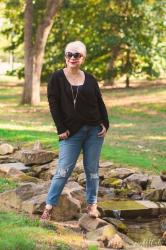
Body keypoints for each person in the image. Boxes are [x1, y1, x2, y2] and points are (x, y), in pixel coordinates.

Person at [40, 40, 109, 221]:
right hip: (71, 132)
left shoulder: (90, 78)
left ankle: (92, 205)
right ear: (65, 56)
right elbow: (53, 105)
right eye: (69, 54)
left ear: (82, 58)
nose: (72, 57)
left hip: (94, 131)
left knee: (92, 169)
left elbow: (99, 102)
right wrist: (60, 128)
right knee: (63, 170)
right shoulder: (56, 78)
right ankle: (48, 207)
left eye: (76, 55)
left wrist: (105, 123)